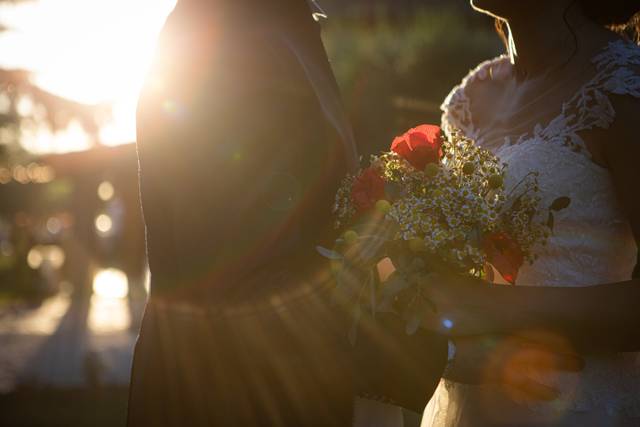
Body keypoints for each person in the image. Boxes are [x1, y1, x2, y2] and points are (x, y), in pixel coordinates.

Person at [128, 1, 447, 425]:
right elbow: (235, 262)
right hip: (240, 385)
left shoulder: (279, 22)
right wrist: (407, 344)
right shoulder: (228, 29)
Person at [420, 1, 640, 426]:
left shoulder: (624, 89)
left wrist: (499, 310)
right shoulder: (471, 96)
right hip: (473, 403)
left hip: (581, 407)